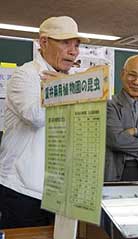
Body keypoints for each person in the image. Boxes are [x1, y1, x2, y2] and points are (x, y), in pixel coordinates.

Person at [0, 16, 88, 229]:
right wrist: (65, 89)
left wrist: (66, 86)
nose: (73, 51)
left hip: (59, 191)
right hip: (21, 190)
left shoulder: (68, 80)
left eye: (76, 45)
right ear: (44, 42)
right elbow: (36, 116)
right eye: (65, 42)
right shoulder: (25, 75)